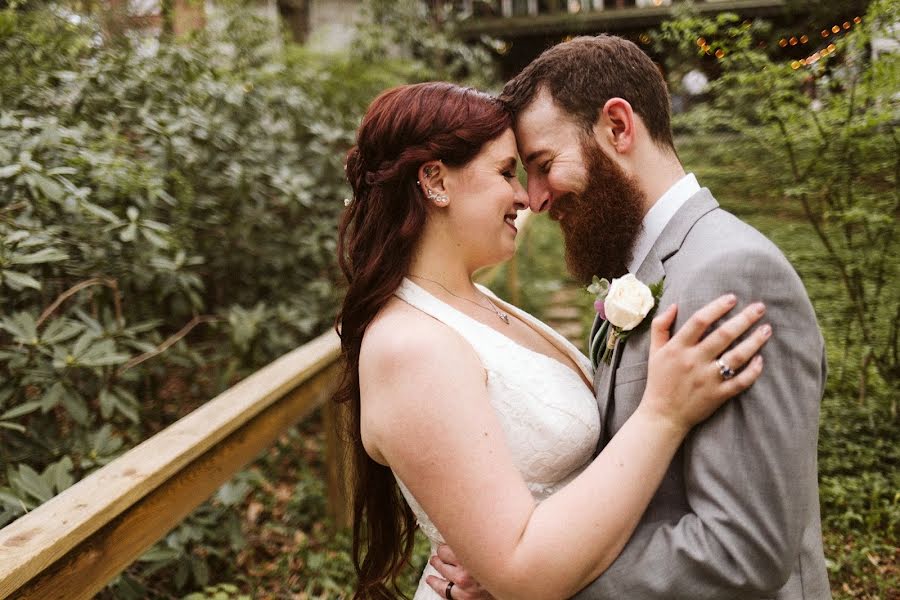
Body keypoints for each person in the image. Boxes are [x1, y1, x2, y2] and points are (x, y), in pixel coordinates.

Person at [335, 81, 772, 600]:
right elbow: (522, 571)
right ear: (435, 181)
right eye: (504, 172)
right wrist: (664, 412)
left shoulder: (481, 304)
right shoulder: (409, 347)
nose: (524, 196)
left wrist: (495, 559)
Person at [433, 36, 830, 599]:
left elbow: (745, 549)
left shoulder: (730, 274)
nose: (537, 199)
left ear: (618, 126)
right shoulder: (642, 272)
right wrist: (525, 551)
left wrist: (531, 584)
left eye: (544, 165)